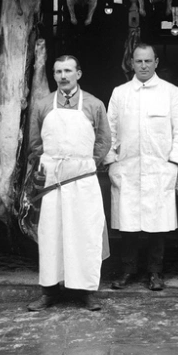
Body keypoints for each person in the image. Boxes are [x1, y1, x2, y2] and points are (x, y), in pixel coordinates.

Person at [26, 55, 111, 312]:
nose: (63, 76)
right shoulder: (42, 105)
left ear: (79, 74)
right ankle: (49, 291)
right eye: (58, 71)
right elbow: (34, 144)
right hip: (53, 177)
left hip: (83, 178)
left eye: (68, 71)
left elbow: (104, 141)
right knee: (51, 234)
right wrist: (50, 164)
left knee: (85, 233)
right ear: (53, 75)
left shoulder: (94, 105)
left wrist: (84, 163)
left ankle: (85, 292)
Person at [106, 43, 178, 291]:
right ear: (131, 63)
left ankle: (155, 272)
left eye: (147, 61)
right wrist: (111, 160)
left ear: (156, 62)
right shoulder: (120, 93)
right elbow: (108, 131)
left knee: (157, 224)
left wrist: (174, 162)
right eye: (138, 61)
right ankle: (127, 271)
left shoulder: (170, 92)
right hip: (126, 167)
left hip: (159, 168)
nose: (143, 65)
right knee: (128, 224)